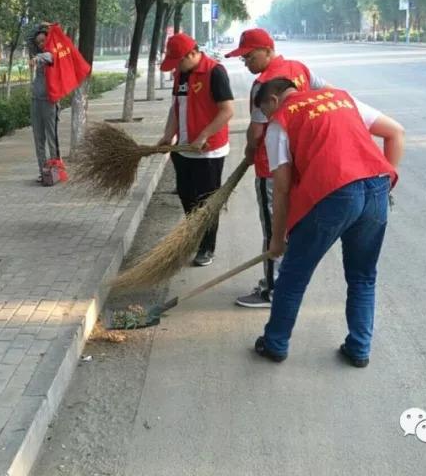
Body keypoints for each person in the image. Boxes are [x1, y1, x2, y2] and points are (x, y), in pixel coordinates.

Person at [251, 77, 404, 367]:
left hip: (333, 194)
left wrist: (277, 238)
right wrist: (384, 190)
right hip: (376, 188)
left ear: (273, 100)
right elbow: (396, 132)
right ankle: (359, 349)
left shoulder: (281, 120)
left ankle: (275, 344)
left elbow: (281, 188)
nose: (268, 118)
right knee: (363, 276)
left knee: (294, 275)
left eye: (266, 112)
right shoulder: (341, 97)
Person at [226, 28, 330, 308]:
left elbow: (257, 132)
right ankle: (289, 283)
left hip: (271, 166)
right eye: (243, 58)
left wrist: (249, 152)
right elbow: (328, 96)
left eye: (249, 56)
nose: (246, 62)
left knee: (275, 228)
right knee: (293, 226)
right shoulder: (300, 69)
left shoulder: (265, 85)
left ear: (268, 51)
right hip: (301, 164)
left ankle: (273, 290)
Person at [156, 32, 234, 267]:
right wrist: (168, 135)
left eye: (179, 60)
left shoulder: (215, 72)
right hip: (183, 148)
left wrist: (203, 136)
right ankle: (193, 237)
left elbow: (227, 110)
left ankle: (206, 247)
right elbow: (176, 107)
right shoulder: (181, 73)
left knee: (207, 202)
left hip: (208, 151)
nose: (177, 66)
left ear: (193, 53)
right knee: (186, 194)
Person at [28, 23, 61, 181]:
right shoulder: (37, 53)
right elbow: (29, 39)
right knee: (38, 138)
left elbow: (49, 56)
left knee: (51, 137)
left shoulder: (51, 54)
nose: (41, 44)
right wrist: (39, 27)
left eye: (43, 41)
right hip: (36, 101)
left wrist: (37, 57)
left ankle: (55, 170)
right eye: (39, 42)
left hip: (49, 102)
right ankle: (44, 172)